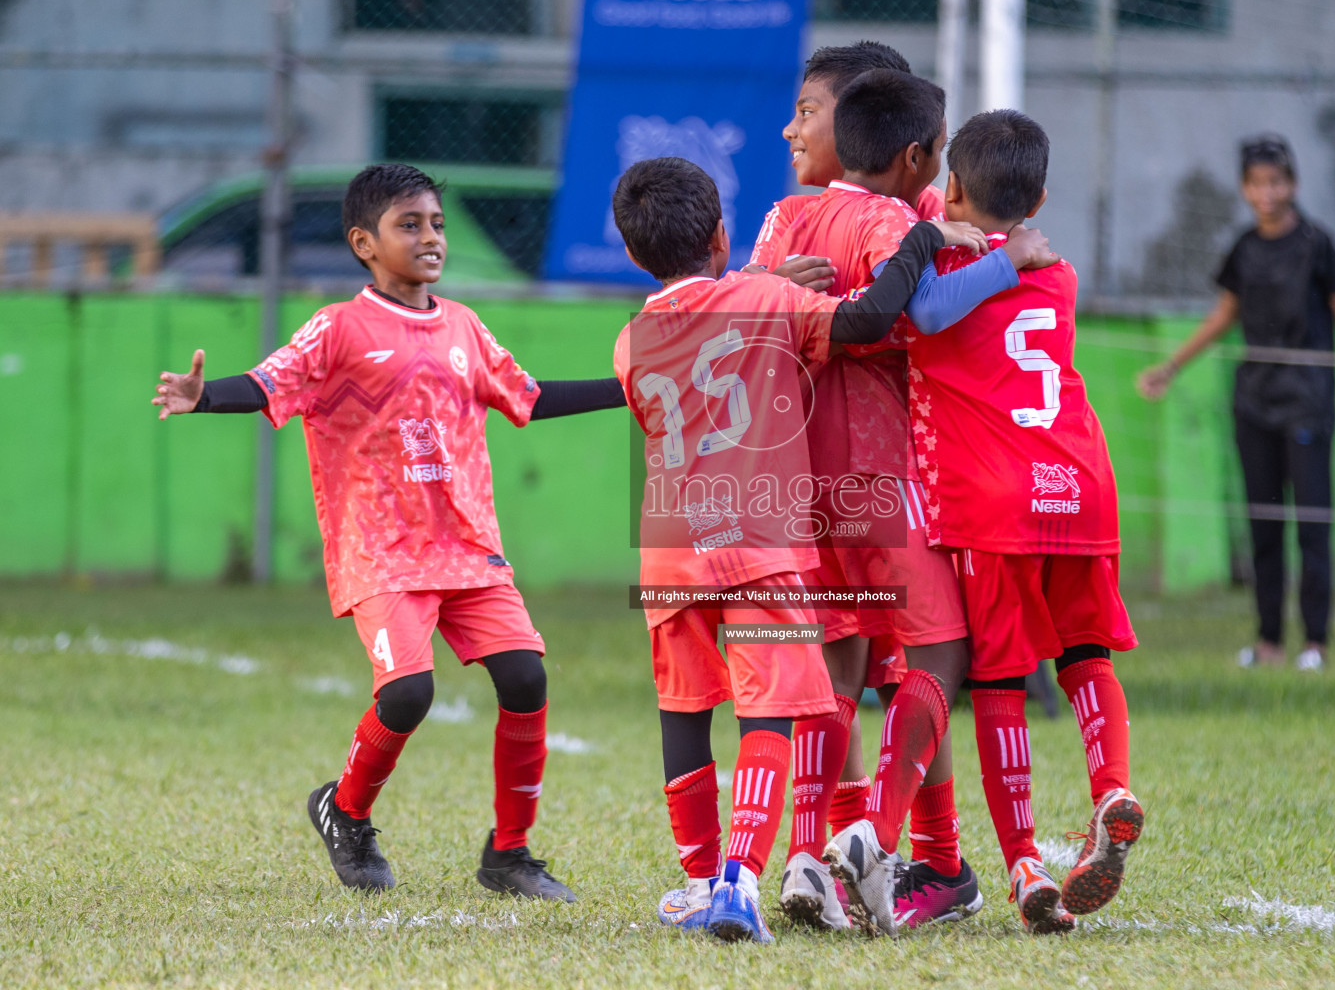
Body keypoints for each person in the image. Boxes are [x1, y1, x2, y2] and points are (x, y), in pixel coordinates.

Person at [150, 164, 625, 897]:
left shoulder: (464, 324)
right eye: (410, 224)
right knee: (407, 693)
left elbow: (528, 395)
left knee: (526, 677)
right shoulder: (340, 327)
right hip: (381, 551)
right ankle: (344, 812)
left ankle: (510, 853)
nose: (430, 237)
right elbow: (270, 383)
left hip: (468, 549)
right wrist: (205, 395)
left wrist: (628, 389)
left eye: (436, 223)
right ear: (363, 243)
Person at [610, 155, 1008, 943]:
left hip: (671, 554)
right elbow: (863, 322)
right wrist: (921, 241)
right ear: (724, 237)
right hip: (762, 547)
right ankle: (737, 883)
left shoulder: (631, 339)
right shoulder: (767, 298)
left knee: (685, 712)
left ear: (632, 256)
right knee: (773, 710)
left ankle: (697, 877)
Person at [752, 63, 1055, 931]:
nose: (794, 128)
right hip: (884, 472)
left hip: (793, 477)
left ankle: (820, 855)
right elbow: (916, 312)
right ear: (918, 157)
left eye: (807, 111)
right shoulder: (903, 219)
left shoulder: (781, 220)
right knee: (938, 653)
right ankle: (878, 838)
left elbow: (750, 300)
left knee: (841, 666)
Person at [874, 108, 1143, 935]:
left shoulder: (946, 270)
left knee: (996, 682)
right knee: (1085, 652)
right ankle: (1113, 791)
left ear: (949, 188)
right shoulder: (1055, 273)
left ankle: (1025, 857)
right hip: (1082, 484)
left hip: (995, 500)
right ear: (1042, 197)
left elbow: (923, 312)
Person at [1137, 135, 1335, 672]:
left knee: (1313, 523)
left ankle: (1315, 642)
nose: (1267, 193)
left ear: (1291, 184)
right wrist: (1171, 367)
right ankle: (1268, 640)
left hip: (1308, 402)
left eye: (1276, 182)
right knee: (1263, 523)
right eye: (1257, 183)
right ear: (1245, 189)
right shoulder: (1244, 248)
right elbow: (1225, 315)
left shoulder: (1318, 244)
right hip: (1255, 403)